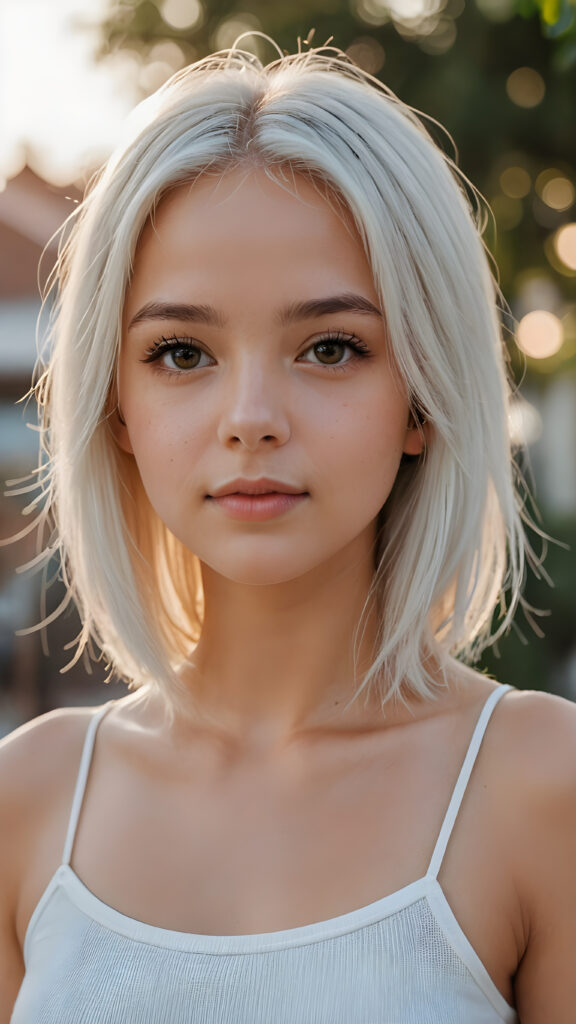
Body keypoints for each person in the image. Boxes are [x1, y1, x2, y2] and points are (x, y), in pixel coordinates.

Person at [1, 40, 575, 1024]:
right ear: (116, 407)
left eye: (330, 347)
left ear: (422, 394)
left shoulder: (540, 788)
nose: (251, 415)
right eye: (182, 351)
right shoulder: (27, 800)